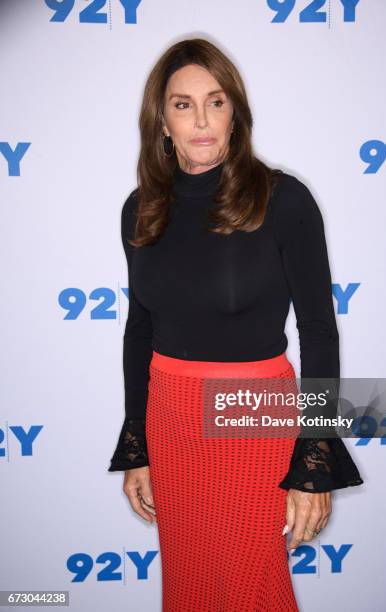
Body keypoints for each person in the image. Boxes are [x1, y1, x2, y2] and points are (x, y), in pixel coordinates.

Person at [108, 37, 364, 611]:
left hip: (253, 417)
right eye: (182, 104)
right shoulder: (141, 207)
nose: (201, 119)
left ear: (235, 113)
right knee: (190, 586)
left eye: (215, 102)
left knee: (252, 589)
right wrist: (138, 445)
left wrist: (313, 456)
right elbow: (139, 331)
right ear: (161, 120)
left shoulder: (284, 200)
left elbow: (319, 332)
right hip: (170, 419)